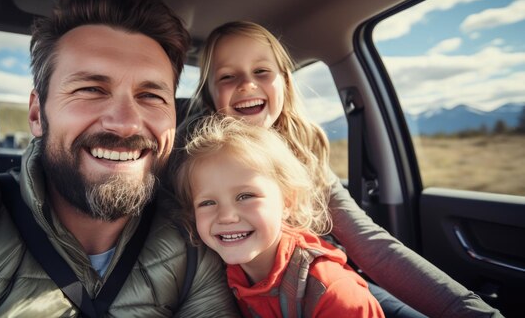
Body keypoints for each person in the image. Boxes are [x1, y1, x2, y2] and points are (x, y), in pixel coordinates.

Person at [0, 0, 239, 317]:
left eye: (150, 95)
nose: (125, 123)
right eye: (91, 89)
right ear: (36, 114)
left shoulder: (195, 241)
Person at [182, 20, 503, 317]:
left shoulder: (303, 155)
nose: (247, 84)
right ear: (209, 94)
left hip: (321, 286)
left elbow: (370, 245)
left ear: (285, 82)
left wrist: (469, 310)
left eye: (262, 71)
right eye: (227, 76)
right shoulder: (193, 165)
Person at [173, 115, 385, 317]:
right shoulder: (208, 272)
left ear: (288, 201)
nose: (226, 216)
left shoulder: (334, 296)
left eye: (245, 196)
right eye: (207, 203)